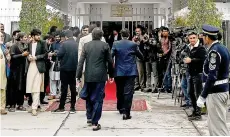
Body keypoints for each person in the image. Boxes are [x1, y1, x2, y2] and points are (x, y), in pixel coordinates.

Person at [76, 27, 114, 131]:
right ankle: (95, 122)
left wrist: (78, 76)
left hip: (88, 75)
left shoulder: (86, 45)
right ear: (102, 36)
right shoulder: (105, 45)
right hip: (101, 76)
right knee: (98, 98)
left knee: (88, 96)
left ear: (92, 35)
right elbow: (110, 62)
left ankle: (89, 117)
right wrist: (111, 74)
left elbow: (81, 62)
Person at [197, 24, 230, 136]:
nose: (202, 38)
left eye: (203, 36)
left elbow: (212, 76)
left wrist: (202, 96)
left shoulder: (214, 51)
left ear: (207, 37)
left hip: (216, 92)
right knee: (216, 125)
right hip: (220, 91)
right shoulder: (223, 48)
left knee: (218, 130)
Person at [112, 28, 143, 119]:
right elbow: (140, 55)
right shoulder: (133, 44)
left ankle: (120, 107)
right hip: (130, 71)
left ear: (121, 35)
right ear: (129, 35)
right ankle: (126, 112)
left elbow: (111, 56)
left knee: (120, 90)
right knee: (128, 92)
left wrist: (110, 69)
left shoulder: (116, 44)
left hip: (119, 71)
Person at [52, 30, 78, 114]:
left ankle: (61, 107)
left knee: (64, 88)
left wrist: (56, 54)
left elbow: (59, 54)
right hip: (74, 68)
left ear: (65, 37)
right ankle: (73, 107)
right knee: (73, 87)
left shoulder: (64, 44)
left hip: (65, 68)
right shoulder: (76, 44)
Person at [183, 31, 207, 120]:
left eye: (194, 38)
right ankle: (195, 110)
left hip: (198, 74)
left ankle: (198, 113)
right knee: (190, 92)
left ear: (197, 38)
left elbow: (203, 60)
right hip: (190, 73)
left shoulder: (201, 48)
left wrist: (191, 60)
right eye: (190, 38)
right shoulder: (188, 47)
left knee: (198, 93)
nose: (192, 40)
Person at [26, 29, 48, 116]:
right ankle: (36, 105)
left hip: (39, 66)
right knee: (31, 86)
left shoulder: (42, 43)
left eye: (39, 35)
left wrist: (36, 57)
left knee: (36, 86)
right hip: (31, 66)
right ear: (32, 36)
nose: (39, 36)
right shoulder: (29, 43)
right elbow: (27, 52)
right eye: (37, 35)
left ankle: (34, 107)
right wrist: (29, 56)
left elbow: (45, 54)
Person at [8, 32, 29, 112]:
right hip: (15, 70)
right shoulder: (14, 46)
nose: (26, 39)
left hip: (23, 69)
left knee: (22, 87)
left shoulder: (25, 46)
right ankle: (12, 105)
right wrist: (22, 55)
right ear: (20, 38)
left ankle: (20, 104)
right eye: (24, 37)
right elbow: (12, 56)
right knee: (14, 87)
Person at [0, 31, 10, 115]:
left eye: (2, 36)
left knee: (3, 90)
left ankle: (2, 108)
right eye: (0, 36)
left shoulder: (3, 47)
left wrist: (8, 56)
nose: (1, 38)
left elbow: (8, 59)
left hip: (3, 73)